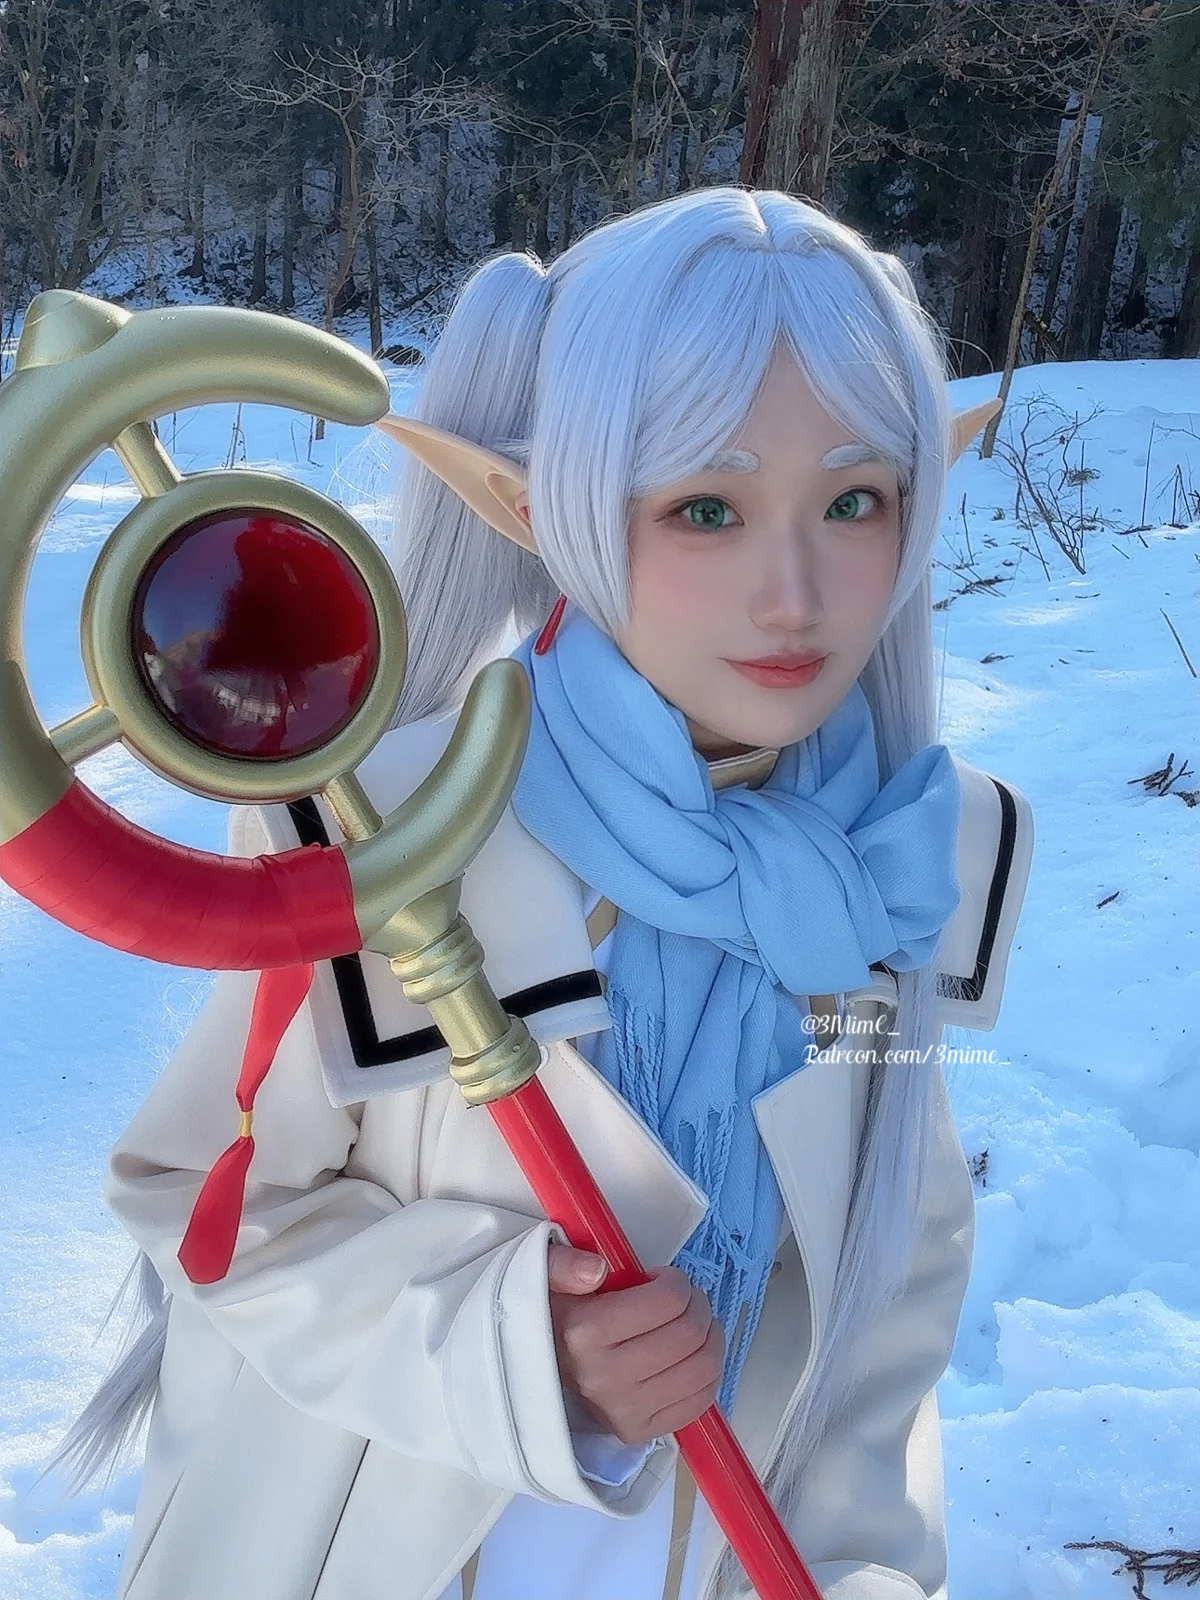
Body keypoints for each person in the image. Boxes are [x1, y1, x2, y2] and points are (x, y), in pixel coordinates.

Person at [57, 185, 1031, 1600]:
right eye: (706, 508)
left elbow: (890, 1285)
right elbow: (204, 1209)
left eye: (855, 500)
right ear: (544, 506)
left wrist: (866, 1567)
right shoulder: (394, 834)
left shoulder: (902, 866)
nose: (795, 593)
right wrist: (517, 1352)